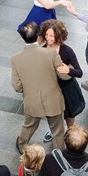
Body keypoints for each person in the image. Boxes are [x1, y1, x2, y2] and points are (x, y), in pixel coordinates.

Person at [11, 20, 69, 151]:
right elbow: (64, 75)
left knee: (29, 126)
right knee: (57, 131)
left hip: (32, 101)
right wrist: (69, 68)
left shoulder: (16, 58)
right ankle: (58, 154)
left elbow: (17, 86)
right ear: (39, 35)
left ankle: (21, 145)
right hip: (53, 100)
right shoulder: (51, 53)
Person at [40, 19, 84, 136]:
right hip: (51, 87)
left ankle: (70, 131)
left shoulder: (67, 51)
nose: (48, 38)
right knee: (53, 112)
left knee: (69, 112)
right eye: (46, 35)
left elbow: (79, 72)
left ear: (58, 37)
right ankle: (54, 129)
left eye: (51, 36)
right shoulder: (42, 49)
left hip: (67, 87)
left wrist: (68, 70)